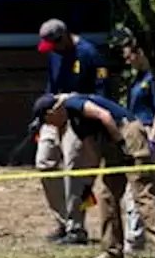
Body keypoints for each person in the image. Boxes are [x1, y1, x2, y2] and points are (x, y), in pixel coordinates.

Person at [34, 90, 155, 258]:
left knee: (142, 192)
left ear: (51, 112)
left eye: (47, 121)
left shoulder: (73, 103)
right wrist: (88, 181)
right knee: (106, 195)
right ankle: (112, 251)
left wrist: (122, 146)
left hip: (128, 134)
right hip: (113, 143)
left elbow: (104, 116)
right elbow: (91, 151)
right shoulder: (75, 123)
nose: (50, 126)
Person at [36, 18, 109, 246]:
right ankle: (64, 219)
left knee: (75, 173)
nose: (52, 50)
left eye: (54, 44)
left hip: (80, 118)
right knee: (44, 163)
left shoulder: (89, 54)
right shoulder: (54, 54)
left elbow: (102, 94)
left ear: (64, 37)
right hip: (55, 115)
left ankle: (76, 228)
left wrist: (75, 99)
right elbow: (51, 86)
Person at [119, 35, 155, 257]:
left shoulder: (154, 78)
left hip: (147, 132)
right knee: (151, 186)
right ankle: (143, 234)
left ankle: (136, 237)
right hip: (134, 131)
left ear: (139, 53)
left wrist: (153, 137)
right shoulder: (137, 79)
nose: (127, 61)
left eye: (129, 56)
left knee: (140, 186)